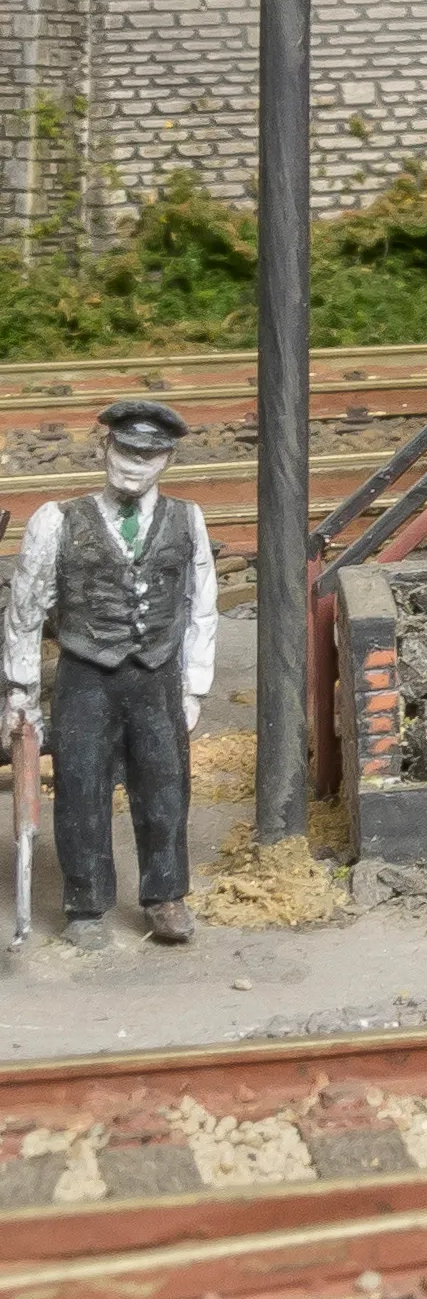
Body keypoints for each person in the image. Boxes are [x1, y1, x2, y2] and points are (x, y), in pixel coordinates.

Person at [1, 399, 217, 950]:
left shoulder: (187, 518)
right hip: (85, 676)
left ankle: (166, 896)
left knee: (165, 787)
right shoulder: (57, 519)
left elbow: (201, 605)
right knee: (80, 787)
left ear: (166, 459)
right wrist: (22, 691)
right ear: (105, 448)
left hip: (157, 676)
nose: (133, 464)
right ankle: (86, 903)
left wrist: (194, 684)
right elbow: (25, 609)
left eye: (148, 455)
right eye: (124, 450)